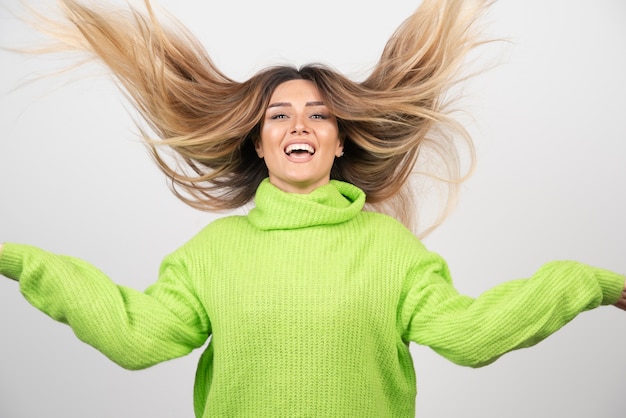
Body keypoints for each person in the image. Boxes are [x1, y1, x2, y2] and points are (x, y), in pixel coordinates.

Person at [0, 0, 624, 417]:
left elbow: (471, 336)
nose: (299, 124)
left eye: (318, 114)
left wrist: (591, 284)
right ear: (258, 140)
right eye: (279, 115)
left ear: (340, 139)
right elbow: (135, 337)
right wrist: (17, 260)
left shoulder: (389, 251)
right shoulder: (213, 253)